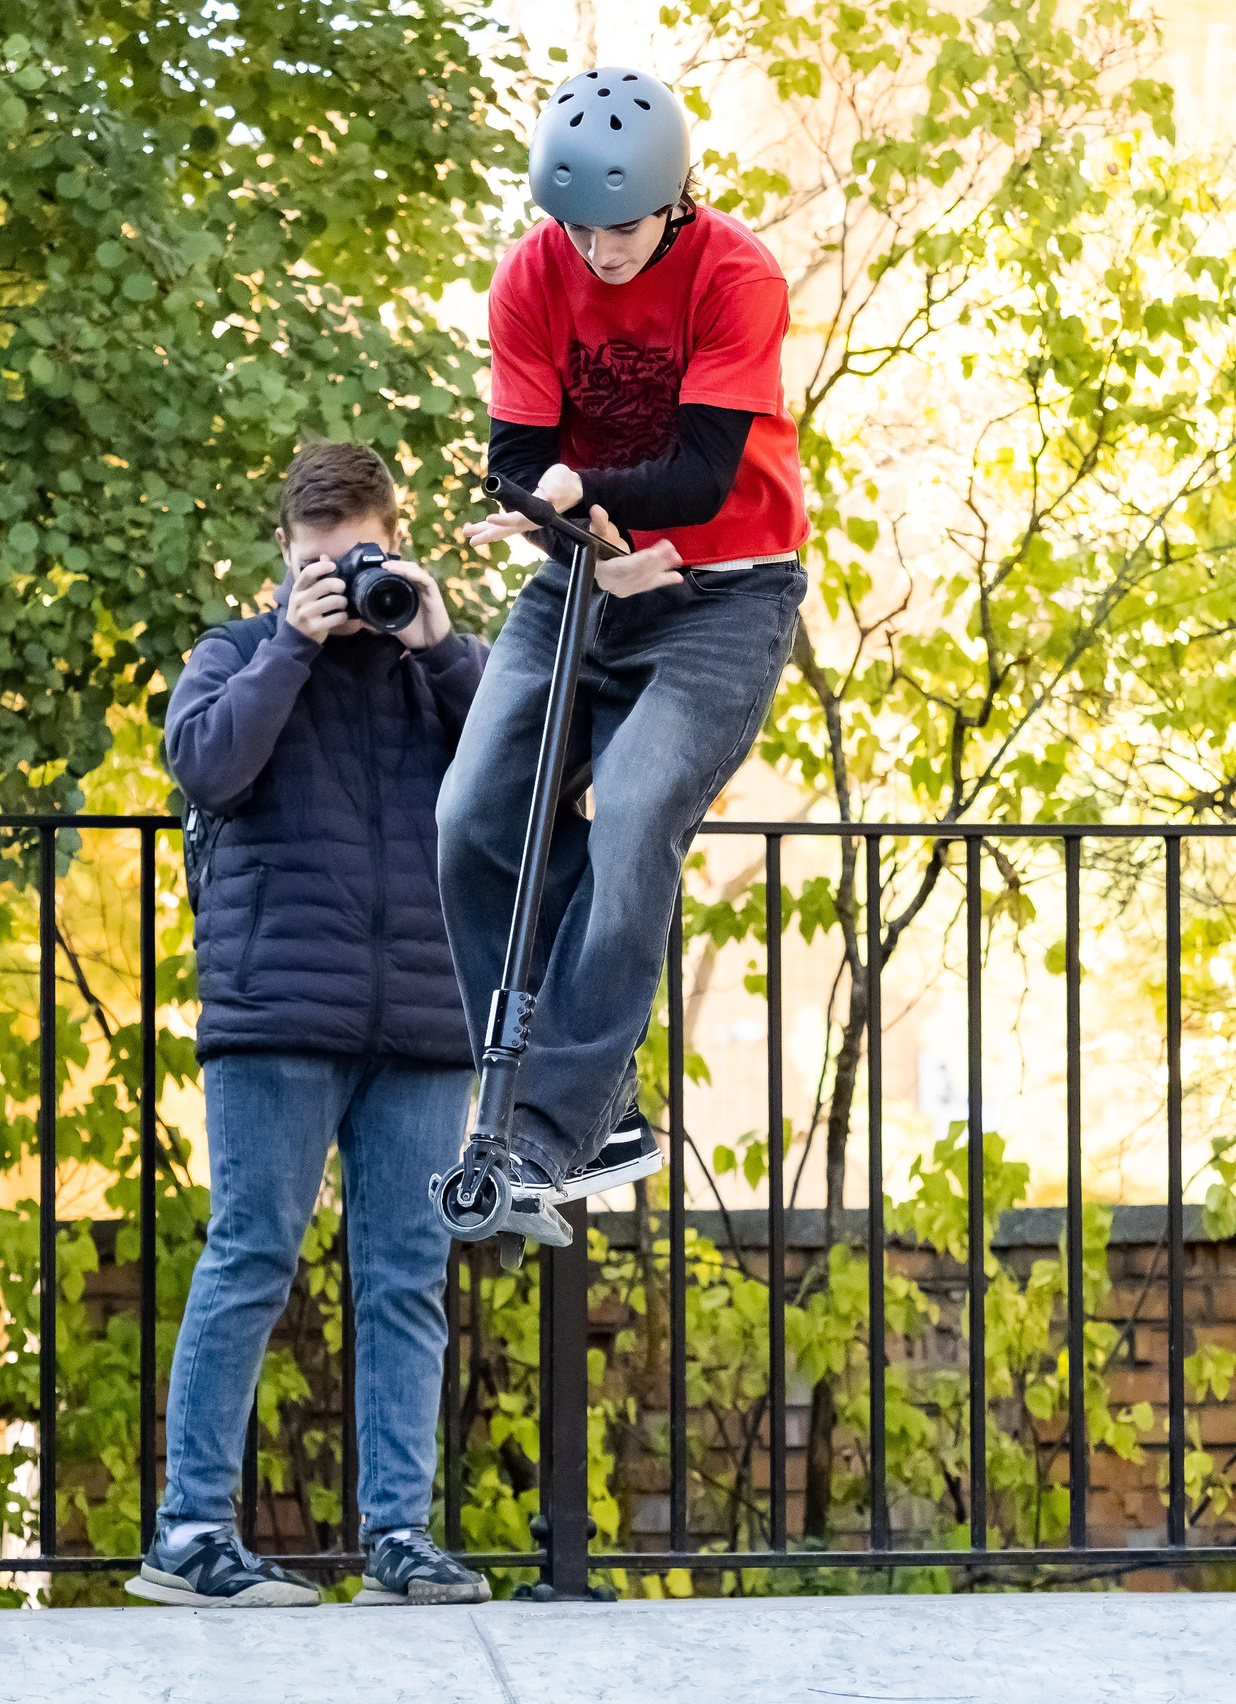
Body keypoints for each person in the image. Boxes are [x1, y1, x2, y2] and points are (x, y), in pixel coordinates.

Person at [439, 67, 809, 1240]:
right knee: (470, 817)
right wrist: (576, 531)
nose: (597, 252)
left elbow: (701, 477)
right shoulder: (529, 275)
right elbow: (514, 456)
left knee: (637, 803)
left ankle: (552, 1127)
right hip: (581, 582)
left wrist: (584, 499)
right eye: (578, 227)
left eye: (622, 228)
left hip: (722, 592)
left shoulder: (736, 276)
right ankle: (598, 1106)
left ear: (675, 201)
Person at [134, 442, 492, 1609]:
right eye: (319, 565)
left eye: (364, 559)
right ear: (285, 559)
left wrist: (437, 643)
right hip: (279, 1009)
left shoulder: (430, 664)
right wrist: (292, 642)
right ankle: (190, 1533)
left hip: (425, 1021)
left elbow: (525, 769)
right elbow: (207, 766)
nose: (345, 583)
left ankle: (400, 1537)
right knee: (249, 1259)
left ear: (398, 537)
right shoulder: (237, 654)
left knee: (406, 1278)